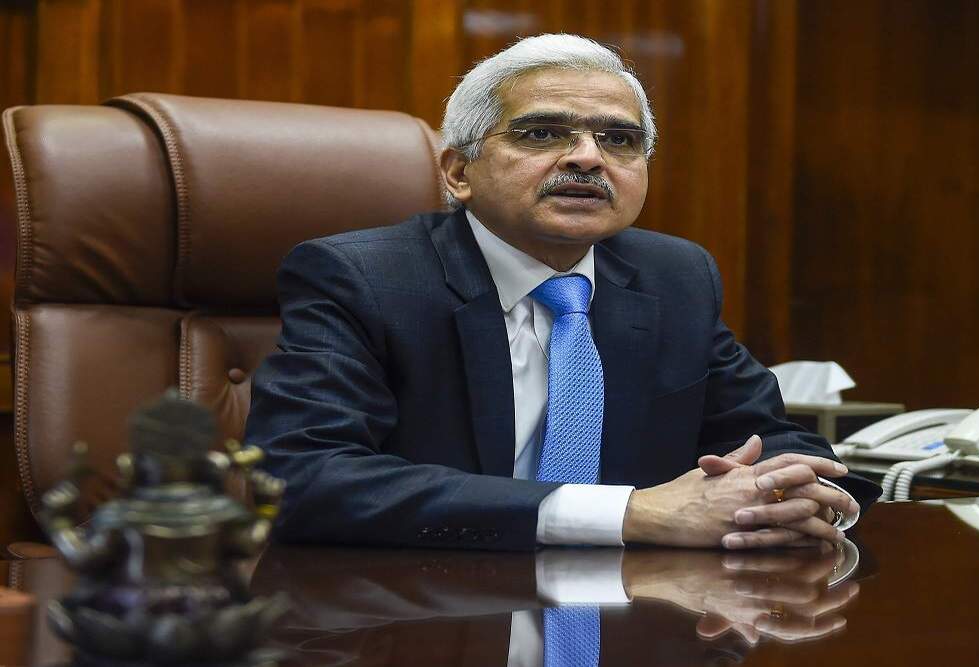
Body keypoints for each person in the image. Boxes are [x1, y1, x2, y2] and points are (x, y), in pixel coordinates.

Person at [245, 33, 881, 552]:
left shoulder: (674, 276)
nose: (587, 158)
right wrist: (629, 514)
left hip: (639, 614)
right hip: (426, 613)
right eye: (542, 133)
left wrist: (796, 494)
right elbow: (304, 475)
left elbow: (769, 437)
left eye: (618, 140)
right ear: (459, 172)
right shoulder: (362, 278)